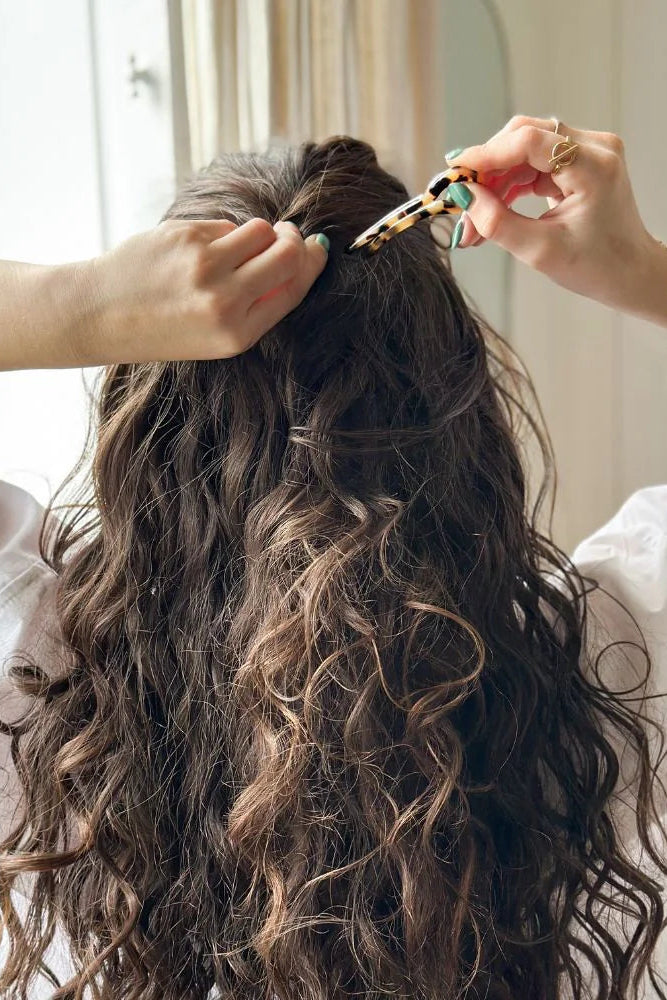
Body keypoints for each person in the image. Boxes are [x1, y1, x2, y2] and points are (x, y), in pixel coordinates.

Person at [0, 116, 666, 1000]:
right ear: (455, 403)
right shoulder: (624, 661)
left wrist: (77, 306)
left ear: (146, 421)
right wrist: (642, 269)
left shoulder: (33, 683)